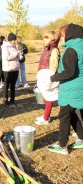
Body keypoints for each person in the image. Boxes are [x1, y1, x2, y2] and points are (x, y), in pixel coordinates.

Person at [47, 23, 83, 154]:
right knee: (73, 114)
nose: (62, 39)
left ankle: (62, 145)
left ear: (69, 35)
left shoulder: (71, 50)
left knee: (64, 116)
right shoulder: (81, 47)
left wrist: (53, 78)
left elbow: (70, 72)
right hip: (79, 87)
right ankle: (81, 139)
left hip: (71, 88)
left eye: (62, 36)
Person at [35, 30, 60, 125]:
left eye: (46, 37)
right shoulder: (47, 49)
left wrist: (49, 79)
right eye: (44, 37)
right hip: (43, 75)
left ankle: (46, 118)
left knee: (49, 97)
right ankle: (46, 115)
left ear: (52, 39)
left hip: (48, 76)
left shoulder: (54, 50)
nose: (44, 39)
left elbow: (54, 66)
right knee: (46, 97)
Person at [2, 33, 21, 105]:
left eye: (14, 39)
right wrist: (16, 53)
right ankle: (5, 98)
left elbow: (16, 56)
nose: (14, 41)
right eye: (13, 39)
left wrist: (20, 55)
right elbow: (7, 57)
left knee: (13, 84)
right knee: (7, 84)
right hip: (8, 68)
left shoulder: (14, 47)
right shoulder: (5, 47)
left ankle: (12, 99)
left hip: (15, 68)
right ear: (10, 40)